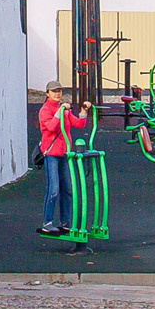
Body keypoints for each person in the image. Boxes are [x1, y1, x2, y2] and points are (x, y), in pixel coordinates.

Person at [36, 81, 90, 235]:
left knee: (67, 189)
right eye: (54, 91)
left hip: (64, 154)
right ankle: (47, 222)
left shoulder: (64, 110)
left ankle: (65, 222)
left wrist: (83, 111)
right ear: (47, 94)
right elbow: (51, 127)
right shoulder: (45, 110)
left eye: (59, 91)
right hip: (51, 154)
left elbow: (79, 124)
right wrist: (60, 112)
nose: (57, 94)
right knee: (53, 189)